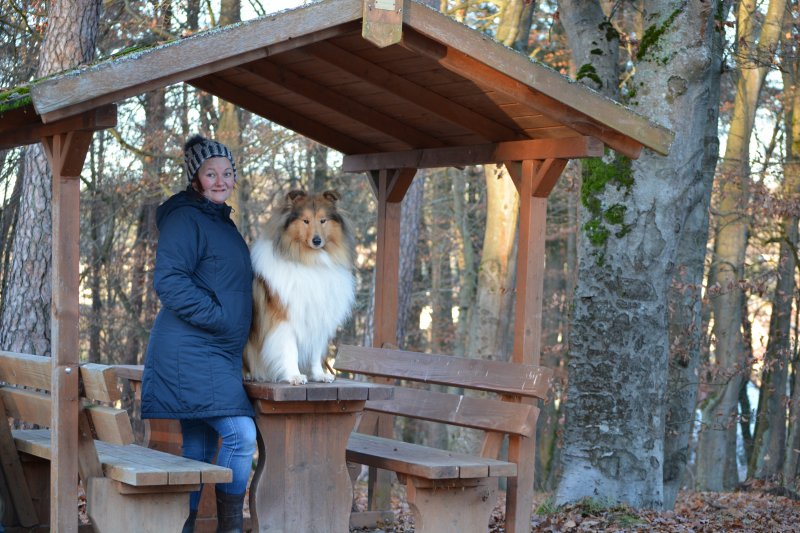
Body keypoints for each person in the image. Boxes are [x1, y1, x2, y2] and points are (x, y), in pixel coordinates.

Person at [140, 134, 256, 533]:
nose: (220, 181)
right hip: (191, 349)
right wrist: (220, 318)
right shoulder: (185, 219)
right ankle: (229, 528)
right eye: (211, 173)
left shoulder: (221, 221)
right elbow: (170, 282)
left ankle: (183, 528)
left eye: (227, 173)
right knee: (241, 436)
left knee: (200, 446)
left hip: (214, 351)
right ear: (196, 178)